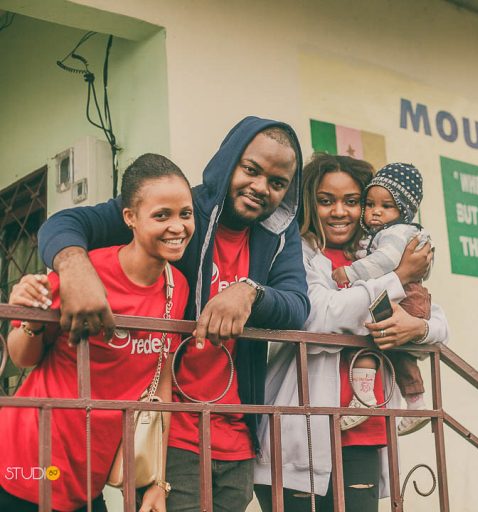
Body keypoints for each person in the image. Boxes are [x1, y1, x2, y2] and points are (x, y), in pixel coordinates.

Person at [36, 117, 310, 511]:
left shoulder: (279, 233)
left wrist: (249, 292)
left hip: (238, 434)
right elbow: (66, 223)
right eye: (251, 169)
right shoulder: (180, 210)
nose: (261, 187)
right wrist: (75, 268)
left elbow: (297, 304)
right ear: (229, 161)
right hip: (171, 428)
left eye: (278, 182)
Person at [253, 153, 449, 511]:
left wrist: (418, 328)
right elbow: (319, 315)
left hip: (365, 433)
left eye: (352, 201)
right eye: (326, 200)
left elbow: (437, 322)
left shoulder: (375, 254)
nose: (339, 211)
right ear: (310, 203)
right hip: (303, 429)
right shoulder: (299, 253)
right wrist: (398, 278)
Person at [0, 154, 193, 512]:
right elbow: (22, 356)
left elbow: (161, 382)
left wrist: (158, 480)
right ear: (130, 218)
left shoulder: (176, 287)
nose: (177, 226)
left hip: (89, 472)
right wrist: (32, 320)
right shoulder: (85, 275)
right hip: (28, 456)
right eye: (161, 215)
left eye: (185, 213)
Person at [332, 162, 433, 436]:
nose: (376, 211)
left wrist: (350, 272)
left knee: (363, 336)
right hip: (414, 298)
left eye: (387, 206)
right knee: (401, 356)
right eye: (370, 204)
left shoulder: (395, 233)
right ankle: (416, 402)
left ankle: (364, 398)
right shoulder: (402, 234)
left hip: (403, 297)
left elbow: (385, 260)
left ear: (404, 210)